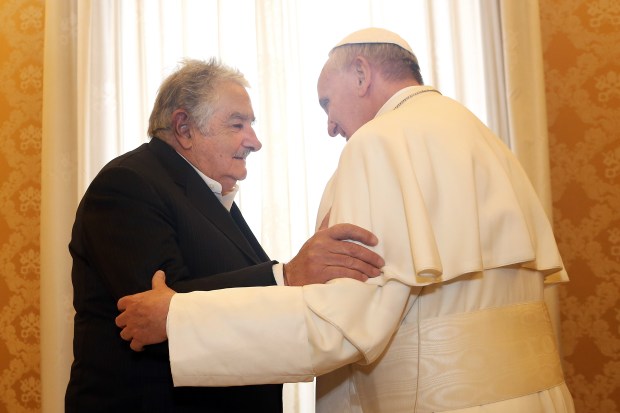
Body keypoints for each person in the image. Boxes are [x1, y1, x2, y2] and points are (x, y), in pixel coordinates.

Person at [116, 29, 576, 412]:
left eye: (326, 103)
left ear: (361, 73)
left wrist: (179, 320)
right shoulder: (482, 135)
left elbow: (339, 328)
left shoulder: (381, 143)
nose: (331, 127)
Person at [65, 57, 384, 413]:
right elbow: (156, 315)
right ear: (184, 128)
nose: (255, 141)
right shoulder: (128, 184)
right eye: (238, 124)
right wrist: (287, 276)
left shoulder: (209, 196)